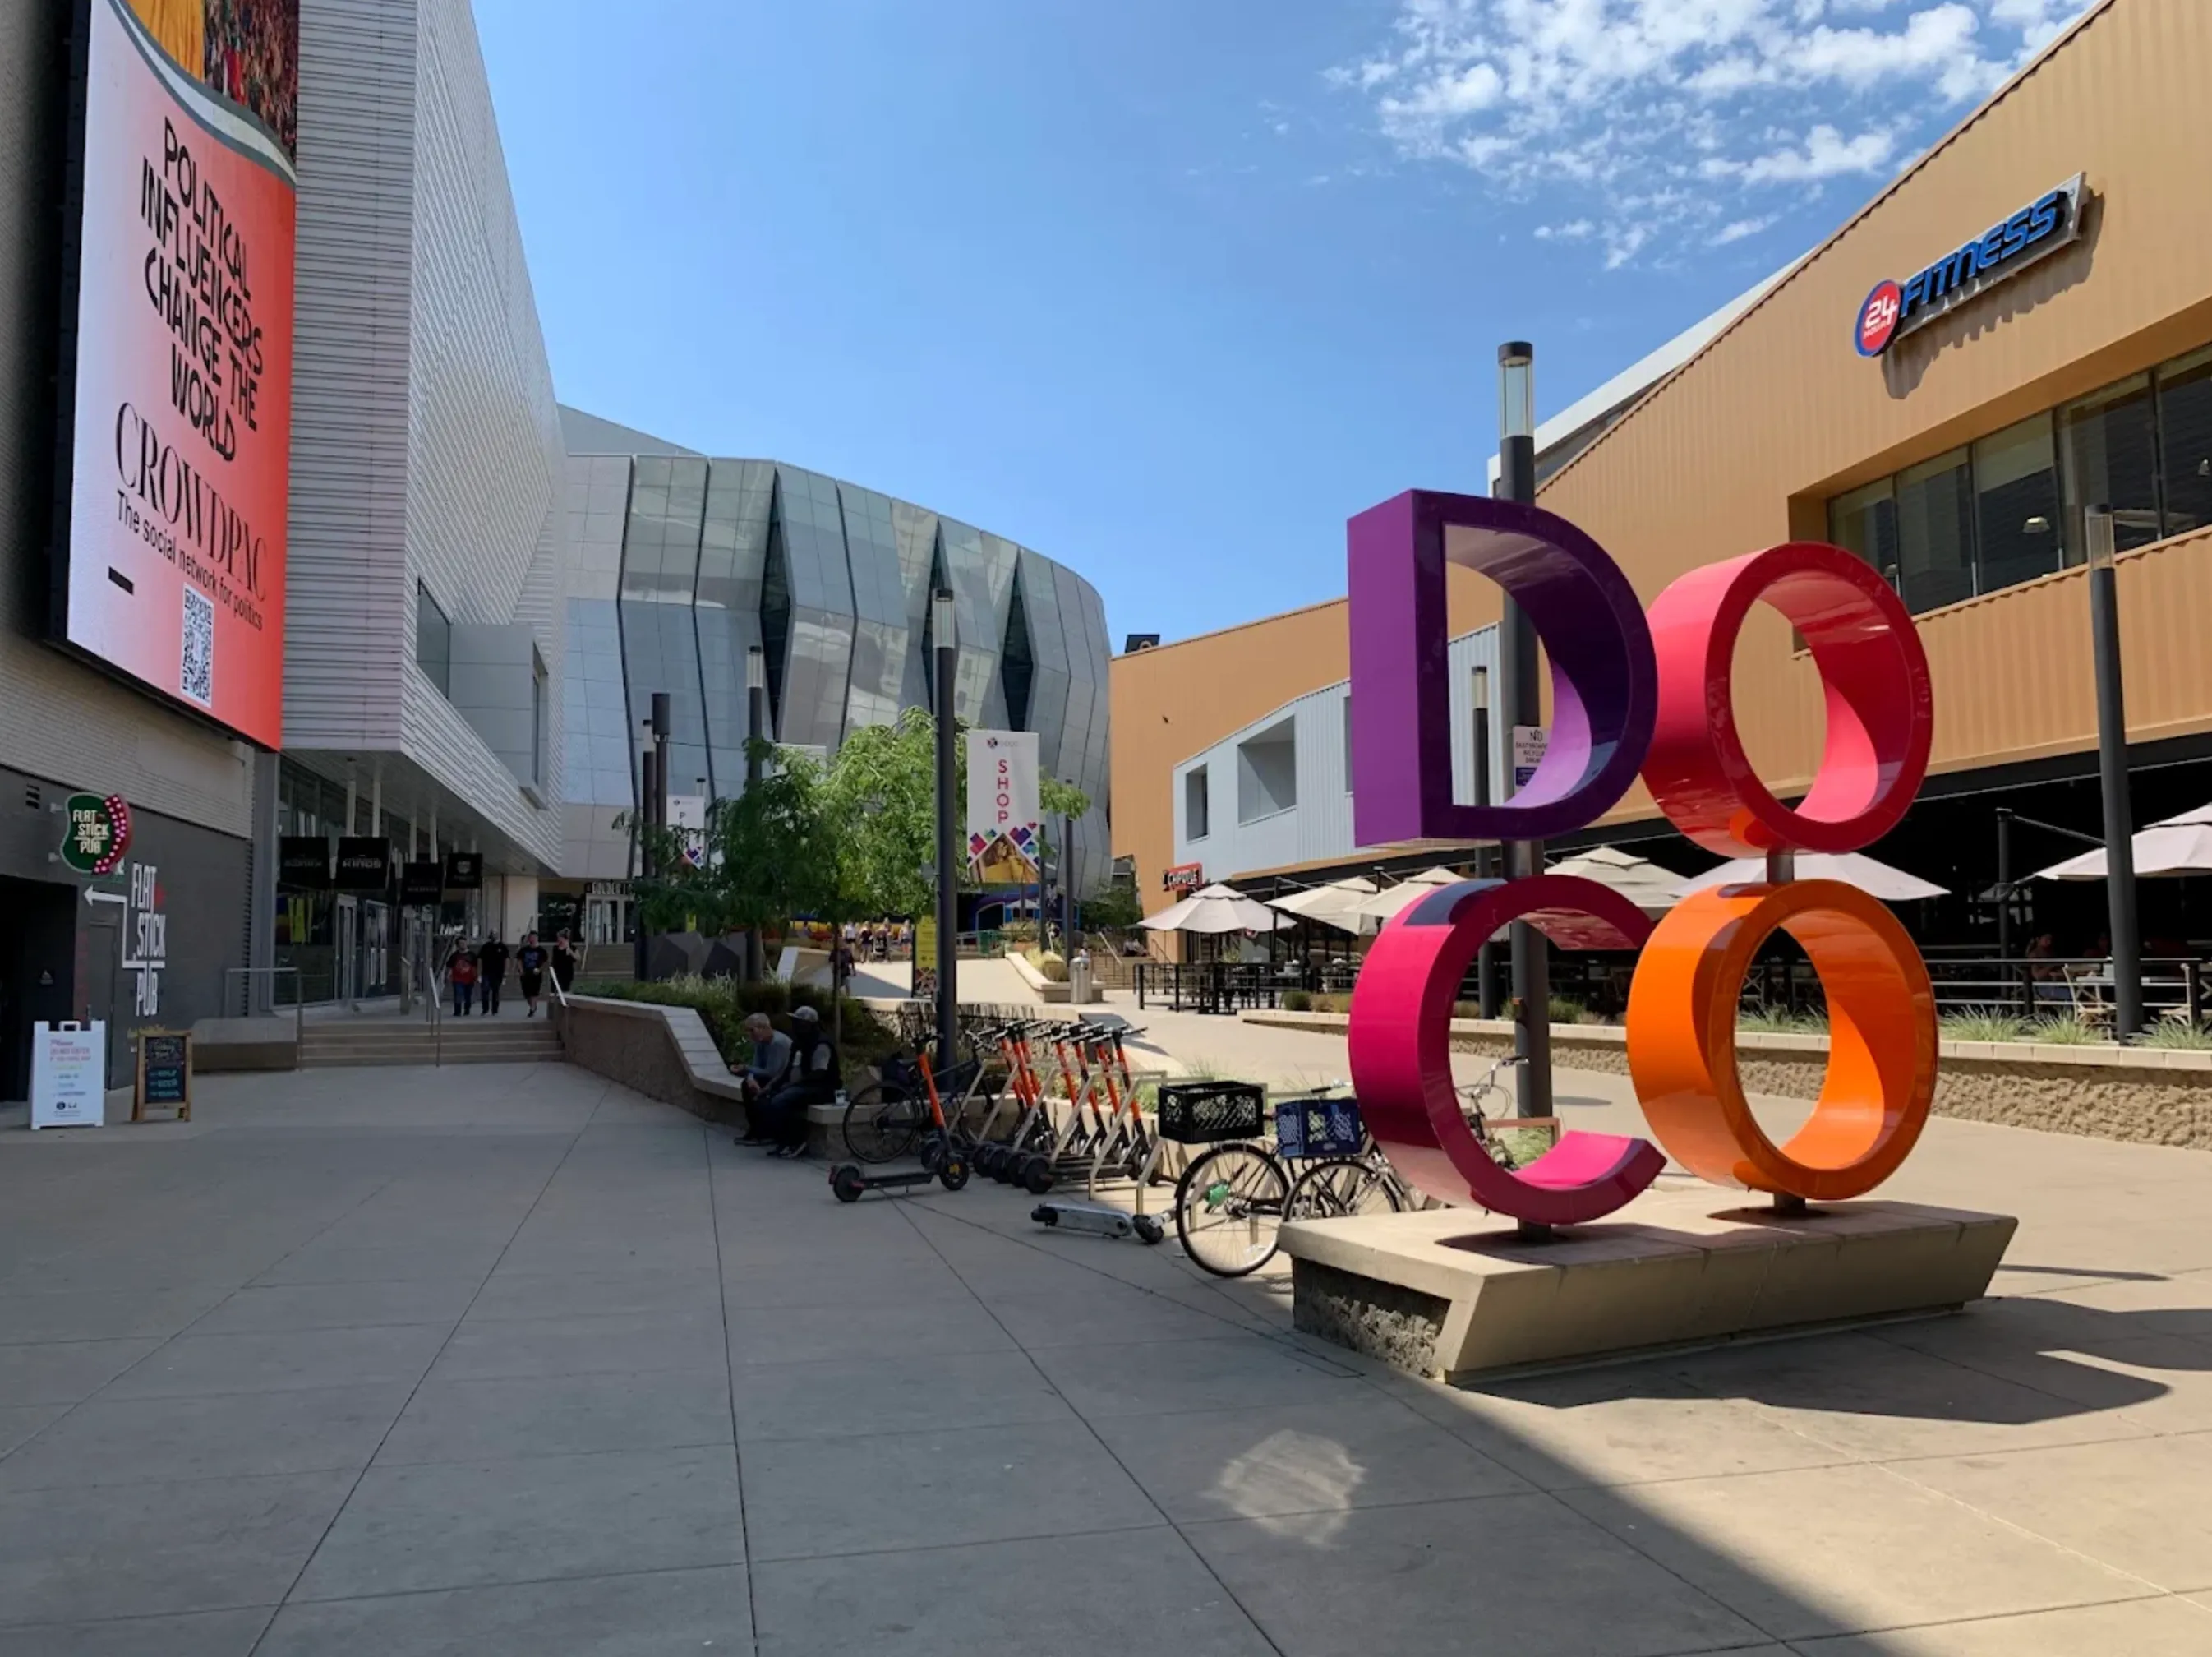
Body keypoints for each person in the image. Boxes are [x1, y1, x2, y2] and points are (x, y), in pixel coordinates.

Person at [753, 1004, 840, 1159]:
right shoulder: (799, 1043)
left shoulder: (821, 1045)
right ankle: (782, 1140)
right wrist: (771, 1086)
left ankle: (796, 1142)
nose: (796, 1026)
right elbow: (787, 1070)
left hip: (820, 1089)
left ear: (809, 1026)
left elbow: (819, 1073)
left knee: (782, 1100)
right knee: (766, 1099)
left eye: (800, 1023)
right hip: (800, 1086)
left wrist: (792, 1086)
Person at [731, 1013, 795, 1145]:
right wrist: (750, 1078)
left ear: (762, 1028)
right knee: (747, 1086)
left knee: (762, 1094)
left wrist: (746, 1069)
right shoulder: (761, 1042)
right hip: (770, 1078)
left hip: (783, 1080)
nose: (750, 1035)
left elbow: (772, 1072)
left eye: (752, 1031)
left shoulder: (778, 1043)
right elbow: (756, 1066)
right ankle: (755, 1130)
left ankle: (765, 1133)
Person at [516, 931, 548, 1017]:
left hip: (536, 973)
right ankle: (532, 1005)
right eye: (531, 937)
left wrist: (540, 969)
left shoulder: (541, 950)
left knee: (534, 991)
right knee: (526, 992)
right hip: (526, 973)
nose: (533, 939)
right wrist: (521, 970)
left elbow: (545, 962)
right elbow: (519, 960)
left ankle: (532, 1008)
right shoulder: (524, 950)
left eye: (534, 937)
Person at [478, 933, 510, 1017]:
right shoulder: (485, 947)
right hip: (486, 972)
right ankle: (485, 1009)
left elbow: (506, 959)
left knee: (495, 991)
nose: (494, 936)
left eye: (496, 934)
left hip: (498, 973)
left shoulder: (502, 947)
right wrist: (479, 972)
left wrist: (506, 971)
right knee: (485, 990)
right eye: (493, 934)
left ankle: (495, 1010)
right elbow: (480, 959)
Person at [445, 940, 479, 1017]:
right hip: (457, 979)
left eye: (464, 943)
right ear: (458, 945)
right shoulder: (455, 955)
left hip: (469, 979)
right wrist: (447, 975)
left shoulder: (472, 955)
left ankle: (467, 1009)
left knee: (468, 996)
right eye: (461, 943)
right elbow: (449, 966)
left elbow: (475, 966)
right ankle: (457, 1011)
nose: (463, 944)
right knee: (458, 994)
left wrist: (476, 976)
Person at [551, 930, 578, 996]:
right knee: (555, 989)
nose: (558, 939)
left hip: (567, 972)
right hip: (557, 971)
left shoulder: (572, 947)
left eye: (559, 937)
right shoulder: (555, 948)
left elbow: (577, 958)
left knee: (565, 989)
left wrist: (569, 950)